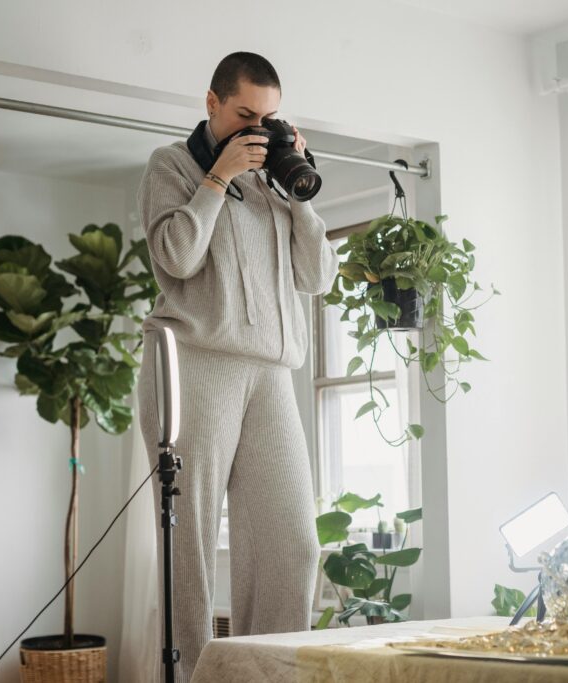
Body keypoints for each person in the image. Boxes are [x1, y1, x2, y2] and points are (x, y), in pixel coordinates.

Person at [134, 51, 339, 681]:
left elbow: (318, 276)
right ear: (213, 104)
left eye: (270, 117)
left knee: (294, 548)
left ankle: (267, 675)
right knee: (190, 549)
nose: (258, 129)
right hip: (198, 364)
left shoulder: (278, 177)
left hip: (273, 375)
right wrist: (217, 179)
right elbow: (176, 257)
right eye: (245, 115)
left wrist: (299, 192)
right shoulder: (172, 165)